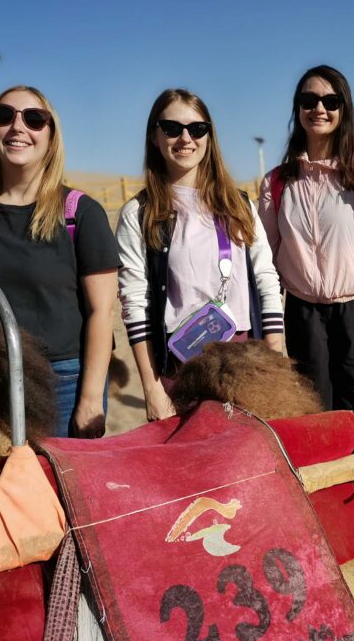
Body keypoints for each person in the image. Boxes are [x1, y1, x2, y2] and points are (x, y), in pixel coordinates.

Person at [258, 64, 354, 513]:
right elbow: (266, 255)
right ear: (298, 110)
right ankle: (329, 520)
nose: (319, 109)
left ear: (344, 109)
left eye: (330, 101)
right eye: (309, 101)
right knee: (318, 421)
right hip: (303, 313)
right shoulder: (277, 181)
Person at [0, 85, 119, 439]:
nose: (18, 127)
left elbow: (102, 312)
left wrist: (91, 401)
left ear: (50, 136)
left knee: (56, 488)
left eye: (34, 119)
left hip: (61, 381)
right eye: (4, 116)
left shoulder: (80, 213)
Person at [116, 89, 284, 422]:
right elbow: (134, 304)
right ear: (154, 135)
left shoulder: (239, 205)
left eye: (197, 128)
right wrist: (152, 390)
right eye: (172, 128)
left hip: (248, 357)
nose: (185, 138)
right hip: (183, 365)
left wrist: (276, 353)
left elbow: (266, 278)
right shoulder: (139, 213)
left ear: (209, 135)